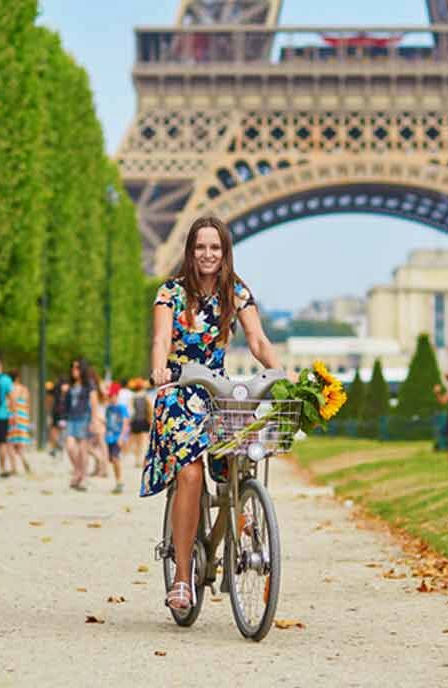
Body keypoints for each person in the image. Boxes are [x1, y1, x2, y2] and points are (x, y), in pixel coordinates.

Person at [142, 216, 279, 615]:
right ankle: (182, 576)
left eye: (215, 248)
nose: (207, 254)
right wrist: (160, 370)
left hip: (218, 393)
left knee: (237, 463)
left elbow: (257, 340)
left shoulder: (236, 292)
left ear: (225, 252)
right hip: (180, 390)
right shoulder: (170, 293)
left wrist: (281, 374)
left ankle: (240, 527)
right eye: (200, 247)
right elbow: (161, 339)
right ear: (190, 250)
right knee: (190, 473)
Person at [63, 358, 100, 491]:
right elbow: (67, 404)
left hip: (84, 418)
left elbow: (94, 403)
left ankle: (83, 477)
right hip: (71, 419)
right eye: (73, 368)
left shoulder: (89, 385)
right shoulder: (70, 385)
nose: (74, 371)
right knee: (70, 447)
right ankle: (78, 471)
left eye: (77, 368)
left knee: (83, 450)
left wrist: (95, 421)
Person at [5, 369, 33, 474]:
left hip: (12, 415)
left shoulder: (9, 389)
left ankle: (14, 468)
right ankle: (23, 457)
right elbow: (27, 403)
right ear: (18, 378)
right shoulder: (24, 389)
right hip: (23, 416)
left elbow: (9, 403)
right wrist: (27, 417)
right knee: (20, 442)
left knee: (10, 443)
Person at [105, 386, 130, 494]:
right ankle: (117, 481)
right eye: (109, 396)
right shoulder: (108, 408)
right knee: (111, 460)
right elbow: (107, 422)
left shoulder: (122, 407)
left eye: (112, 396)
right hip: (109, 437)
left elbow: (125, 422)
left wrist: (122, 437)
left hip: (117, 437)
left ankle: (119, 481)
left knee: (115, 458)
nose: (111, 398)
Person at [127, 377, 152, 468]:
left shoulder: (133, 397)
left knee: (136, 442)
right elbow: (149, 410)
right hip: (144, 421)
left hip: (135, 421)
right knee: (143, 442)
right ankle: (142, 459)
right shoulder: (146, 397)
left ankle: (137, 459)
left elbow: (131, 411)